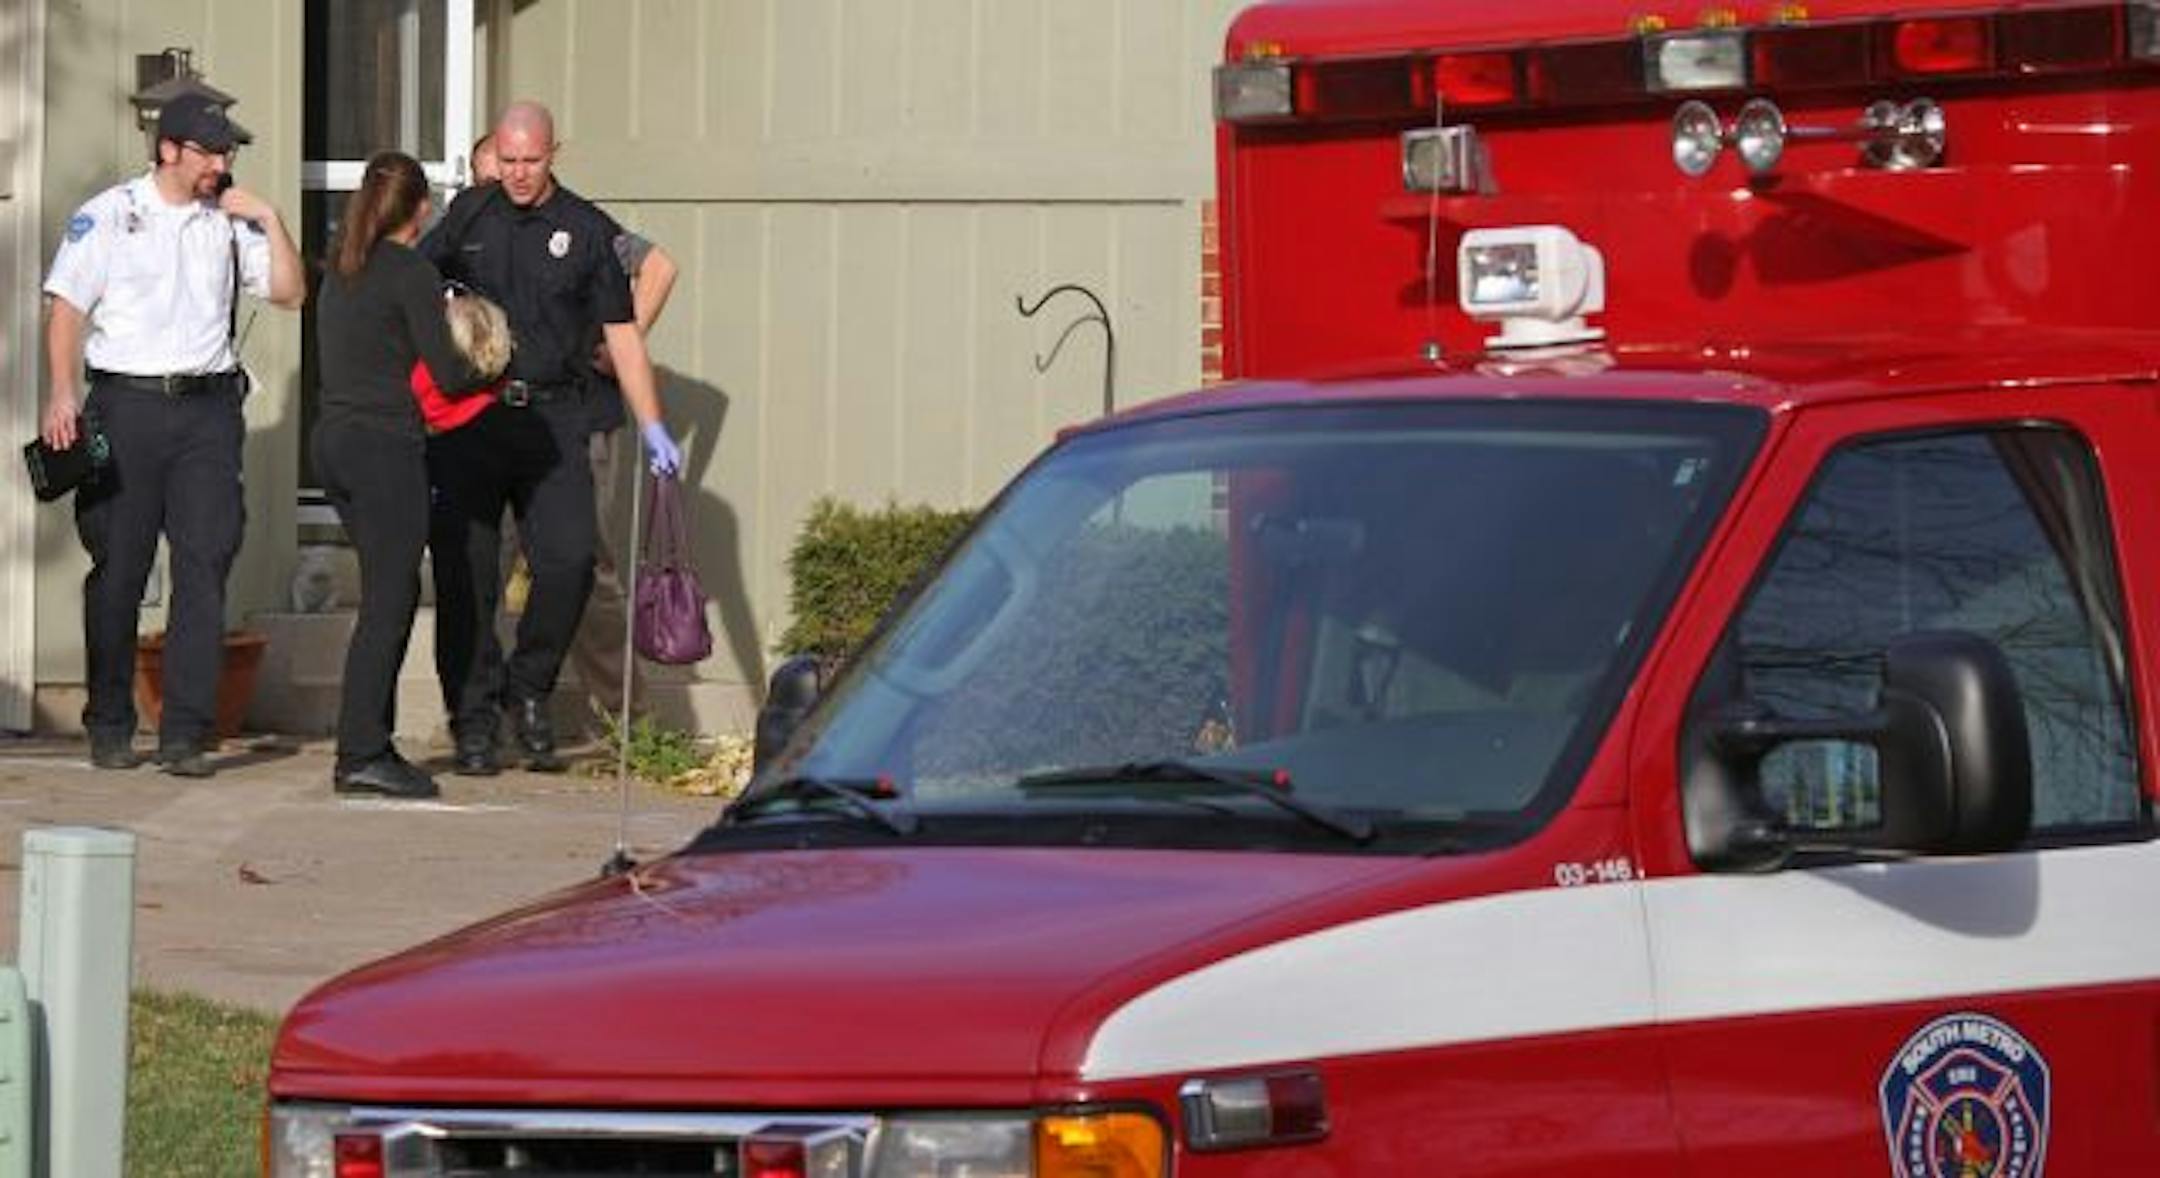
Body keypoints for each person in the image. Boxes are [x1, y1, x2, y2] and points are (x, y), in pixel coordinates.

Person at [40, 93, 303, 777]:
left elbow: (289, 292)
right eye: (211, 152)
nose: (223, 163)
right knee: (120, 569)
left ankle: (187, 731)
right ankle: (109, 722)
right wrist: (63, 392)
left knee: (205, 563)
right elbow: (67, 310)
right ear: (169, 151)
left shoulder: (230, 220)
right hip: (124, 407)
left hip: (207, 412)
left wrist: (271, 220)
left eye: (228, 153)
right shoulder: (110, 213)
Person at [421, 101, 682, 775]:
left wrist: (653, 425)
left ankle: (528, 688)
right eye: (506, 161)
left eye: (530, 161)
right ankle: (474, 720)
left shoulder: (586, 230)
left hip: (556, 418)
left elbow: (621, 335)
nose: (517, 174)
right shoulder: (470, 216)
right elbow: (414, 288)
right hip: (475, 418)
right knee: (470, 575)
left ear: (553, 153)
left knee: (568, 564)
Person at [313, 151, 500, 799]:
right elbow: (448, 375)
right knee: (388, 605)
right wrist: (497, 368)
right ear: (421, 209)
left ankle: (369, 741)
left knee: (380, 597)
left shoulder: (341, 269)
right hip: (384, 449)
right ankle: (361, 751)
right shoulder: (410, 272)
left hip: (334, 444)